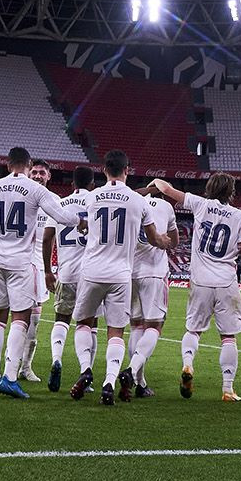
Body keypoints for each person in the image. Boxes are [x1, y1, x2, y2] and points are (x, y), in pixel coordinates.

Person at [68, 150, 173, 406]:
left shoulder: (91, 197)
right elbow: (153, 238)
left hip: (92, 271)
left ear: (104, 170)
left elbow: (80, 224)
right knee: (116, 331)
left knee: (84, 323)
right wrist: (164, 241)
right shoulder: (139, 201)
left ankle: (85, 370)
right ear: (127, 170)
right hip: (121, 274)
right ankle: (109, 382)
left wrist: (85, 226)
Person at [0, 147, 79, 399]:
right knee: (21, 318)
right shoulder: (35, 190)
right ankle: (10, 377)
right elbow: (64, 217)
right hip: (22, 262)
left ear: (8, 165)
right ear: (28, 165)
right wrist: (82, 220)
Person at [147, 173, 241, 402]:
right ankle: (227, 389)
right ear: (231, 192)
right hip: (226, 282)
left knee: (193, 331)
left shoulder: (200, 204)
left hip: (200, 281)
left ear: (209, 188)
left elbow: (167, 191)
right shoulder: (239, 216)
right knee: (228, 336)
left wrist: (155, 182)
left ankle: (188, 364)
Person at [118, 178, 177, 400]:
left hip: (130, 271)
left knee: (136, 326)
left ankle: (140, 382)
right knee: (154, 326)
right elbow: (174, 241)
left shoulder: (131, 202)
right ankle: (132, 370)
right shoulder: (166, 206)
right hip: (154, 272)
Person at [45, 166, 94, 392]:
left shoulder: (59, 204)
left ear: (72, 184)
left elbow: (47, 238)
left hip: (66, 272)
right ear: (92, 185)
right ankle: (86, 372)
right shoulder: (95, 202)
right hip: (90, 274)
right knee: (89, 324)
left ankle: (57, 359)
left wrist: (48, 270)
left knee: (61, 320)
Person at [21, 160, 57, 381]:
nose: (37, 175)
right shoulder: (20, 196)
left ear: (48, 176)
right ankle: (7, 366)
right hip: (17, 264)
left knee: (33, 322)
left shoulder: (54, 201)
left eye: (42, 172)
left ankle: (25, 367)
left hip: (39, 267)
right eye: (33, 172)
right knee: (12, 319)